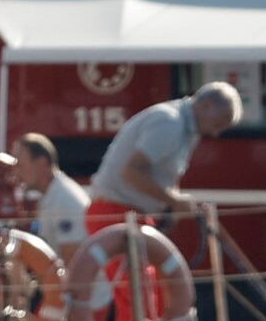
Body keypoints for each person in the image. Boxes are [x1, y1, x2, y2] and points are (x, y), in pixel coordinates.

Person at [90, 80, 242, 222]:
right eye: (218, 123)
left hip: (131, 214)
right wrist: (174, 201)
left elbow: (167, 177)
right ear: (206, 105)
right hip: (114, 214)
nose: (216, 133)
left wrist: (171, 205)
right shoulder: (169, 123)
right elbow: (131, 171)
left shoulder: (188, 128)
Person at [9, 132, 89, 243]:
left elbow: (72, 257)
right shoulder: (54, 195)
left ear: (42, 163)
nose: (16, 173)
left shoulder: (64, 201)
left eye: (20, 166)